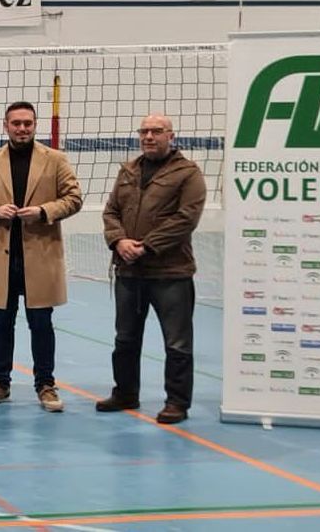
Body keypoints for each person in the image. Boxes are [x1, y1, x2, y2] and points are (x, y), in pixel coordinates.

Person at [0, 101, 83, 412]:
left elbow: (73, 198)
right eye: (16, 123)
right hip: (2, 254)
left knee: (41, 323)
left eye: (27, 123)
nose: (22, 128)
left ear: (35, 125)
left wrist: (44, 212)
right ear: (6, 125)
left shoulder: (55, 159)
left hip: (40, 254)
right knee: (0, 322)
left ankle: (45, 384)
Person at [97, 113, 206, 425]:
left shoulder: (188, 173)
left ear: (171, 135)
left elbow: (186, 218)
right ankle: (126, 392)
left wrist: (145, 246)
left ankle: (176, 402)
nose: (148, 136)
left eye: (156, 131)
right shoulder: (128, 170)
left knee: (177, 342)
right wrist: (119, 241)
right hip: (129, 273)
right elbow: (111, 211)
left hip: (171, 273)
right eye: (144, 131)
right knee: (125, 338)